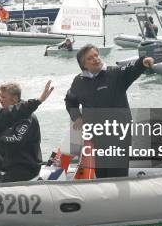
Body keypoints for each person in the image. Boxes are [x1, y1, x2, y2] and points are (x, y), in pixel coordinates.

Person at [65, 44, 154, 178]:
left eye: (96, 55)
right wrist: (76, 117)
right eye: (90, 58)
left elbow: (132, 69)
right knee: (101, 175)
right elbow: (70, 101)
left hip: (118, 134)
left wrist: (142, 63)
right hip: (96, 135)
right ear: (84, 65)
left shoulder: (115, 73)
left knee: (116, 175)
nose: (96, 59)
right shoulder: (78, 81)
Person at [0, 83, 42, 182]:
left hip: (25, 169)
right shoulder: (4, 115)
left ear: (14, 99)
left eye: (3, 97)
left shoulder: (27, 117)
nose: (0, 100)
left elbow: (16, 140)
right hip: (9, 166)